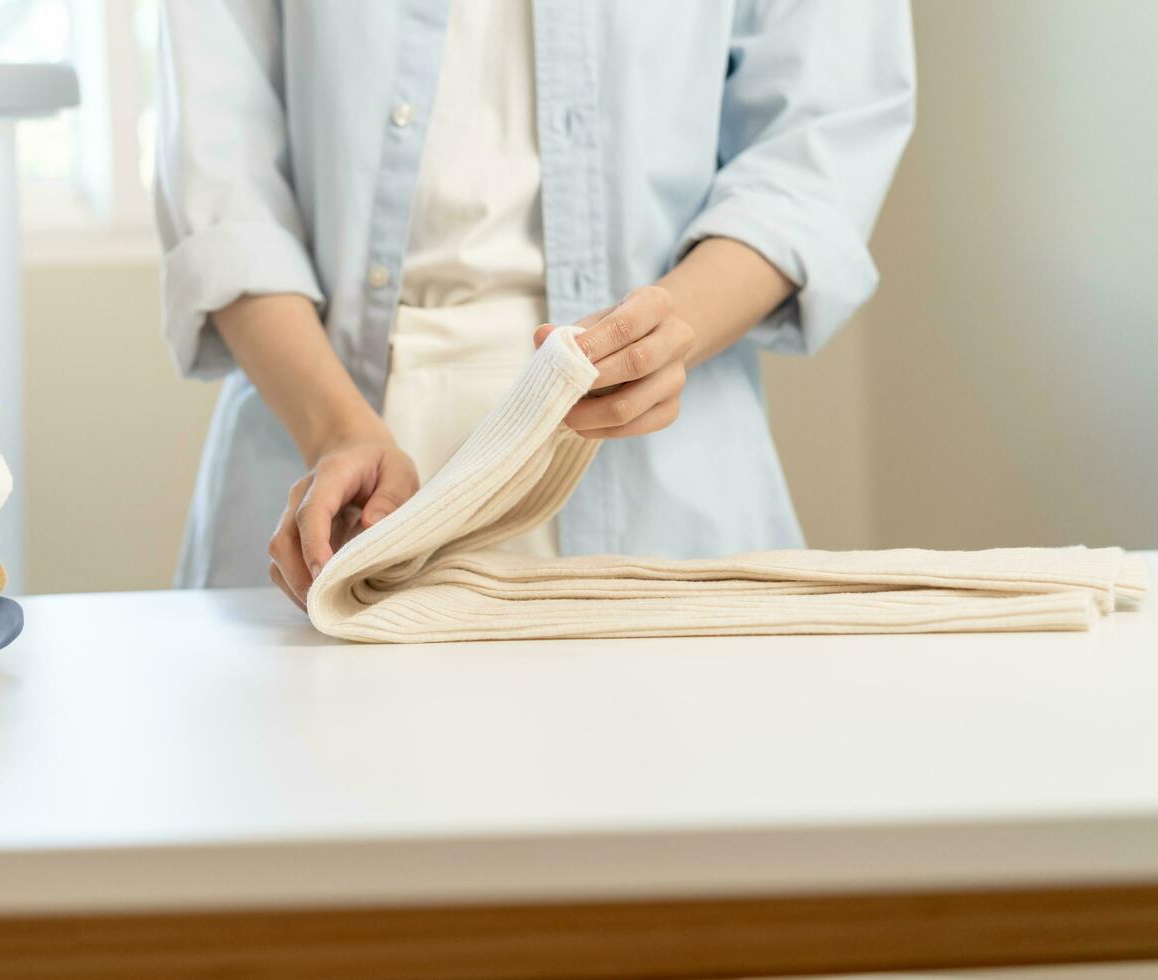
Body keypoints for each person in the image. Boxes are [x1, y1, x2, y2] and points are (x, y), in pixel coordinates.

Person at [156, 0, 916, 608]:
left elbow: (819, 136)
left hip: (657, 467)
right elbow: (225, 180)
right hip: (324, 449)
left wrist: (666, 331)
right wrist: (333, 431)